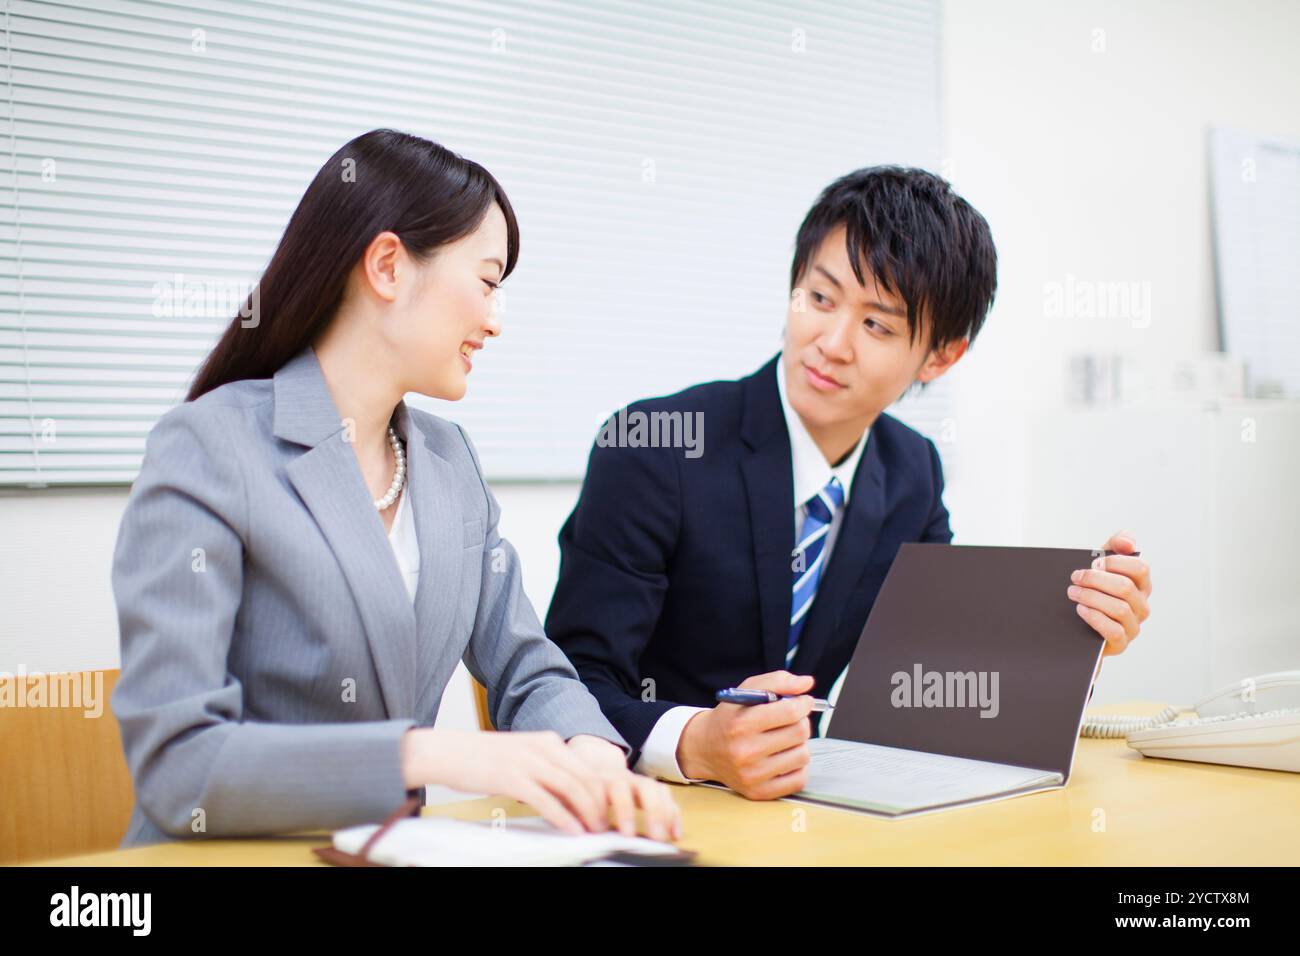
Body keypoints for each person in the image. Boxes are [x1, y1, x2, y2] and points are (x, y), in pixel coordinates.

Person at [110, 128, 680, 845]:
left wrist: (593, 758)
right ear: (387, 265)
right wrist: (434, 753)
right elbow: (179, 766)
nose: (495, 320)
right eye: (486, 280)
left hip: (383, 855)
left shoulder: (450, 463)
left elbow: (530, 670)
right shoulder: (209, 446)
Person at [546, 166, 1152, 800]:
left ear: (941, 356)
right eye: (819, 298)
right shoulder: (656, 444)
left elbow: (934, 685)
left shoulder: (912, 470)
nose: (830, 344)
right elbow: (570, 685)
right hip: (655, 810)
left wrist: (1081, 636)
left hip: (811, 821)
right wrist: (697, 742)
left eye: (878, 325)